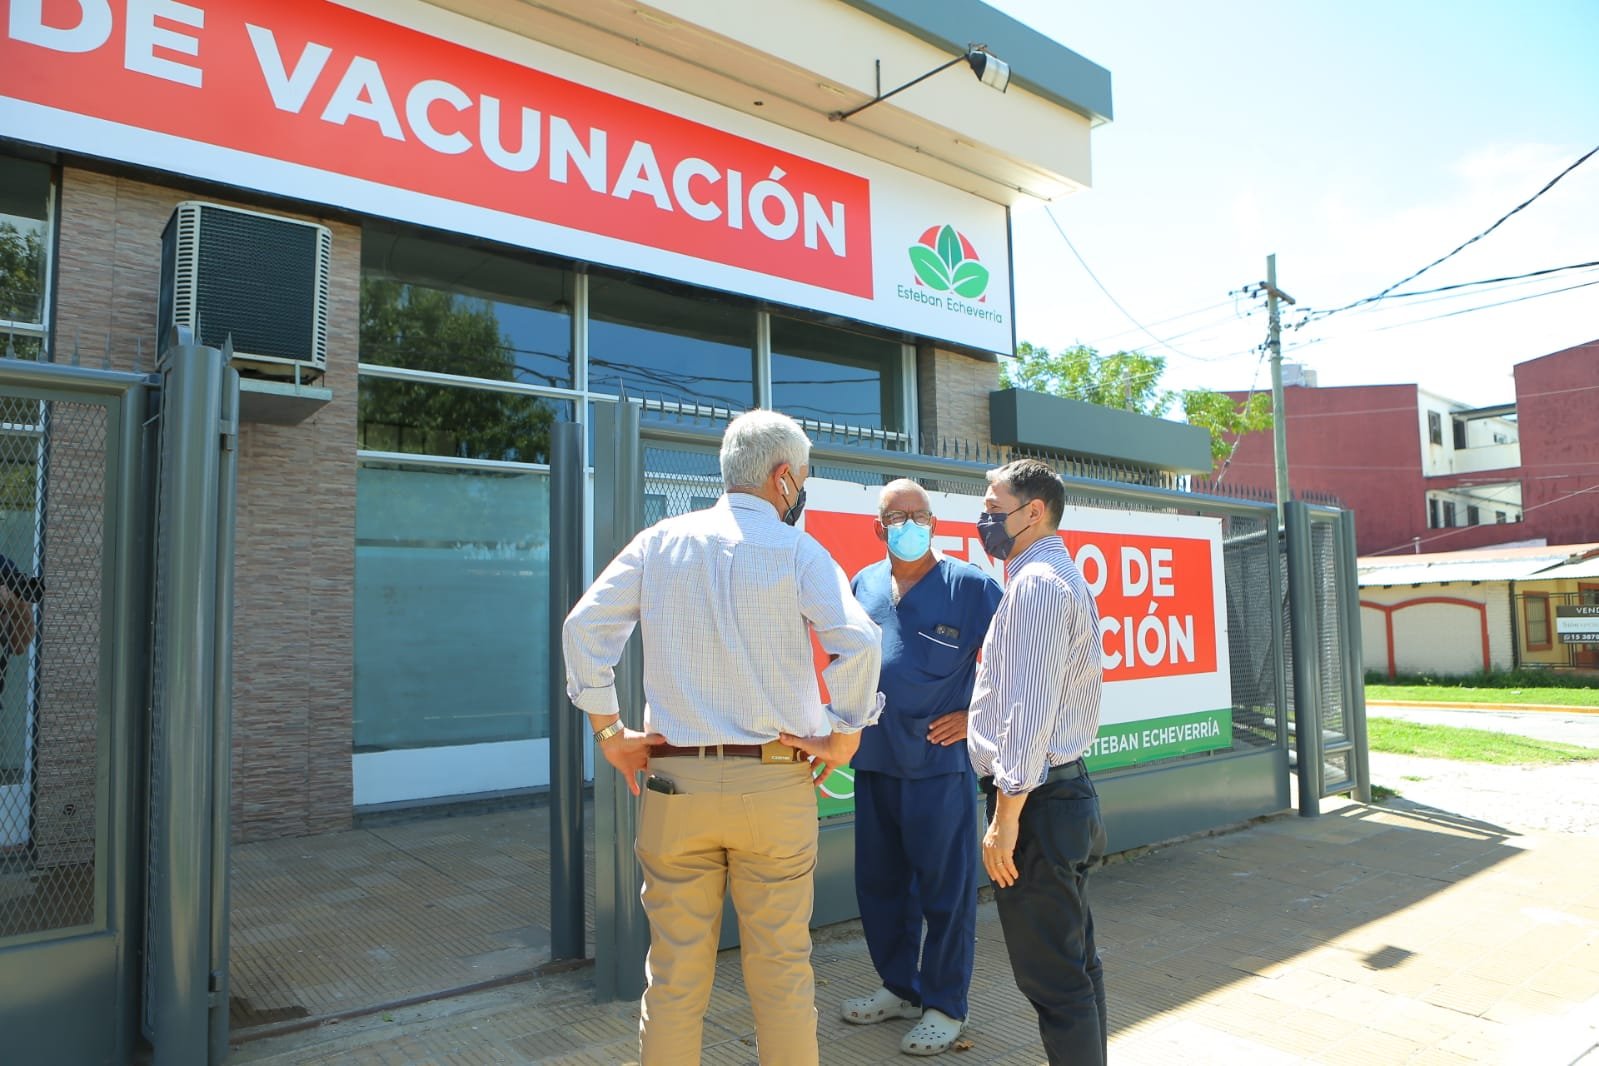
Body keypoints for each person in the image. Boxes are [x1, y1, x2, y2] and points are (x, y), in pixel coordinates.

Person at [562, 408, 883, 1066]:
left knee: (674, 978)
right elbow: (860, 642)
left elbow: (583, 630)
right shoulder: (798, 550)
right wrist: (844, 735)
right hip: (775, 783)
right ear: (784, 477)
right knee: (782, 976)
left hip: (675, 786)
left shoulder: (660, 542)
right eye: (805, 476)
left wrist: (609, 731)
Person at [840, 479, 1000, 1056]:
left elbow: (1011, 666)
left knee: (946, 892)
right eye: (897, 515)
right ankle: (900, 988)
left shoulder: (971, 586)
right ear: (879, 528)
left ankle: (945, 1006)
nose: (910, 522)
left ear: (933, 521)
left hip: (938, 768)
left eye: (920, 513)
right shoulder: (863, 584)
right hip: (876, 761)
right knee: (881, 887)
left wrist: (972, 716)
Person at [967, 459, 1107, 1066]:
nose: (985, 519)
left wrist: (1006, 817)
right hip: (1058, 798)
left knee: (1054, 981)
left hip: (1039, 805)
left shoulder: (1038, 586)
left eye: (995, 508)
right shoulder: (1048, 578)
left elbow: (1030, 711)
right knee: (1075, 966)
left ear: (1034, 512)